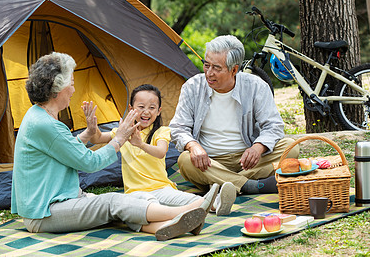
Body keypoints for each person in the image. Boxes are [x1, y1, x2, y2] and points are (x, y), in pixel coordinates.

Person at [11, 52, 219, 241]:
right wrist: (119, 138)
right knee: (111, 203)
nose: (74, 90)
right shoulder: (46, 125)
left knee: (125, 204)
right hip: (44, 213)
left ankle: (166, 226)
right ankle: (189, 210)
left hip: (54, 204)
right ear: (58, 89)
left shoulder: (39, 117)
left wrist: (87, 134)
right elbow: (89, 162)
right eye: (72, 84)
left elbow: (63, 149)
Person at [169, 35, 299, 198]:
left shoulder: (256, 86)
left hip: (248, 161)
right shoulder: (192, 87)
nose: (209, 73)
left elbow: (274, 126)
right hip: (209, 162)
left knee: (291, 147)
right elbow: (178, 128)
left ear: (234, 70)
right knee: (185, 160)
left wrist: (258, 147)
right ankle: (250, 185)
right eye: (206, 65)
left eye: (216, 68)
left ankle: (220, 184)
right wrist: (193, 146)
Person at [88, 84, 234, 216]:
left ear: (158, 111)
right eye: (141, 107)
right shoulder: (123, 132)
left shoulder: (161, 131)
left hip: (161, 188)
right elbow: (97, 139)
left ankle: (217, 204)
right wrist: (92, 127)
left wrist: (140, 144)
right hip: (136, 193)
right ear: (131, 109)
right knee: (147, 202)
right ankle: (172, 215)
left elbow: (161, 152)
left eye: (152, 108)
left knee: (186, 198)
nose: (146, 112)